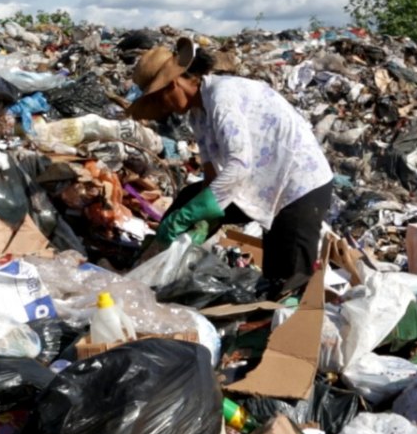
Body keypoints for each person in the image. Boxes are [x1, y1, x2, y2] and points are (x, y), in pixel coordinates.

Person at [129, 37, 334, 298]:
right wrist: (201, 220)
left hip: (299, 185)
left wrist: (194, 213)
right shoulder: (198, 114)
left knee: (286, 281)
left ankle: (294, 322)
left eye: (161, 99)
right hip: (265, 183)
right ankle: (157, 263)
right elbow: (211, 172)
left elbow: (239, 164)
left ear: (174, 84)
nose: (165, 107)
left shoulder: (221, 97)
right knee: (189, 198)